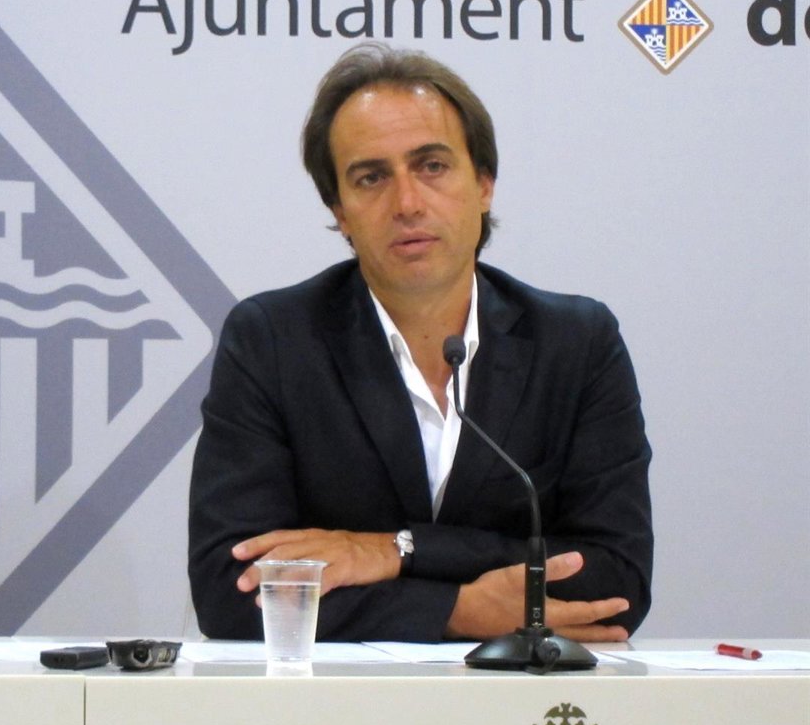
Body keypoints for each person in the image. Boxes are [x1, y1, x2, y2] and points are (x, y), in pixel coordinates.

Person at [187, 43, 653, 643]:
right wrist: (456, 611)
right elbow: (232, 592)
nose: (407, 203)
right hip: (337, 700)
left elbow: (616, 581)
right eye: (371, 177)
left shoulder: (576, 343)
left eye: (431, 166)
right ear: (340, 211)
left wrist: (396, 551)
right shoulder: (273, 340)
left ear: (483, 184)